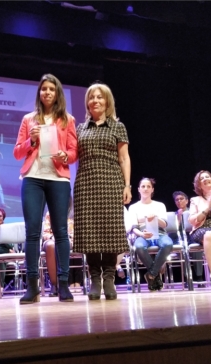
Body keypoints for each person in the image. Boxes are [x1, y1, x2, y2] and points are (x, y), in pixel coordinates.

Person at [13, 73, 78, 304]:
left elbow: (73, 151)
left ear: (57, 93)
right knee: (33, 232)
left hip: (58, 179)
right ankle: (32, 286)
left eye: (51, 89)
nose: (47, 92)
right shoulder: (28, 119)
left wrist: (65, 155)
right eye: (43, 89)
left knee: (60, 231)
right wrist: (30, 140)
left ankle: (62, 284)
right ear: (39, 93)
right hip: (32, 177)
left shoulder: (67, 120)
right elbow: (17, 152)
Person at [73, 82, 131, 301]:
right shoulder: (80, 128)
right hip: (86, 183)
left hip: (111, 182)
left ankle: (109, 278)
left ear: (107, 101)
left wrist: (127, 185)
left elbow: (124, 158)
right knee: (89, 232)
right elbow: (71, 155)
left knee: (110, 231)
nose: (95, 101)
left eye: (99, 97)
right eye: (91, 97)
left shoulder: (118, 127)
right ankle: (94, 278)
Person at [128, 178, 174, 292]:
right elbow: (134, 228)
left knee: (168, 244)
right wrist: (142, 235)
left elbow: (164, 225)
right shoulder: (133, 207)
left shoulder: (160, 205)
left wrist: (155, 218)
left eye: (148, 186)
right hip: (142, 234)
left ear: (152, 189)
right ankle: (155, 275)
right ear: (138, 189)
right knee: (139, 247)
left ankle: (151, 274)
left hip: (159, 232)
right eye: (143, 186)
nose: (145, 189)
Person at [171, 191, 205, 285]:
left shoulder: (193, 212)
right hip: (180, 238)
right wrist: (178, 219)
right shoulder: (173, 215)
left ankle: (199, 277)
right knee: (182, 249)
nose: (179, 201)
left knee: (196, 249)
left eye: (181, 199)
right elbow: (172, 232)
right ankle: (187, 278)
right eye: (177, 200)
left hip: (192, 236)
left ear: (187, 201)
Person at [42, 208, 74, 296]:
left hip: (68, 239)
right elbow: (45, 233)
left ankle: (63, 283)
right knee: (51, 246)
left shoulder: (73, 213)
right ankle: (54, 284)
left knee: (64, 243)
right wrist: (53, 237)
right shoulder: (50, 213)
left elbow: (75, 233)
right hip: (52, 239)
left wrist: (65, 238)